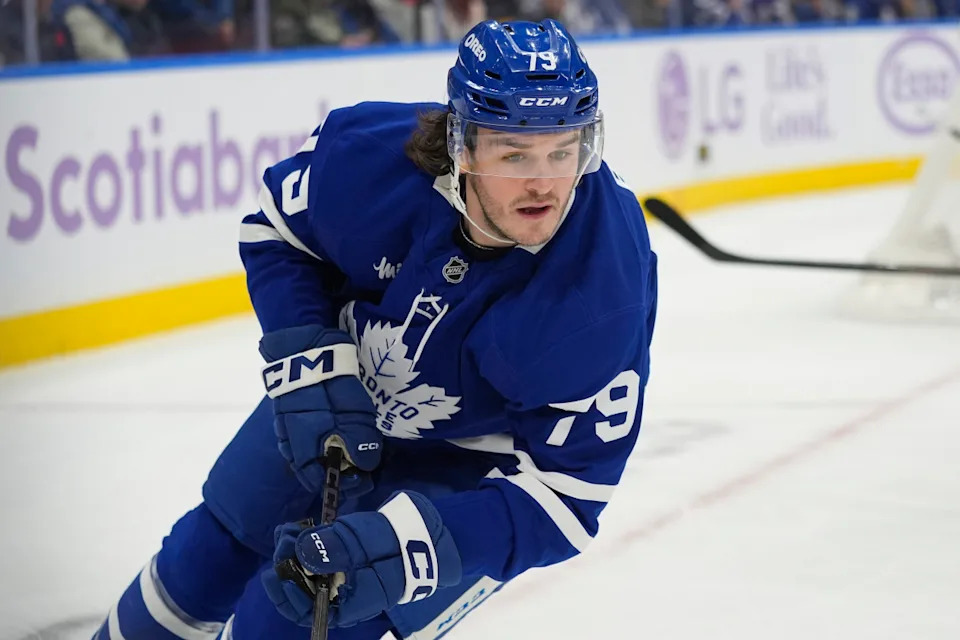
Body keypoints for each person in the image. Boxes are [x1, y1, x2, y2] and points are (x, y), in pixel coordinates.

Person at [93, 17, 657, 640]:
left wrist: (407, 546)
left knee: (290, 625)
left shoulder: (604, 286)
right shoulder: (367, 156)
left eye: (563, 149)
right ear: (463, 143)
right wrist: (310, 365)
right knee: (203, 558)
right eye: (514, 153)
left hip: (464, 468)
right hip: (346, 393)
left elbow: (568, 499)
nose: (544, 182)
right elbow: (276, 233)